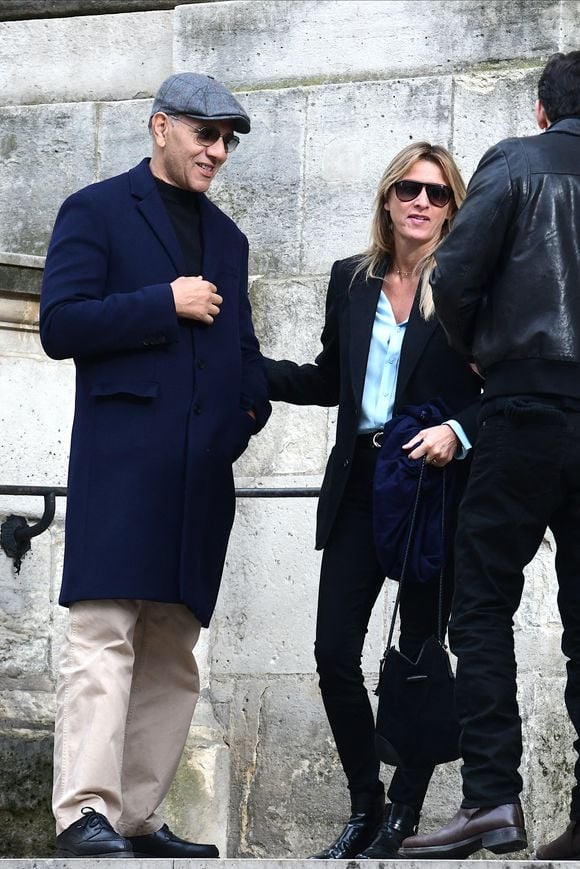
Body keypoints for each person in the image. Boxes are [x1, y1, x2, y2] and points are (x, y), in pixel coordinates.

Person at [39, 72, 270, 859]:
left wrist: (243, 421)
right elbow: (60, 323)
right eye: (206, 134)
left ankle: (133, 819)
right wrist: (162, 301)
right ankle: (83, 815)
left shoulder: (231, 241)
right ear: (160, 126)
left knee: (173, 650)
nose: (218, 151)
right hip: (121, 464)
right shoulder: (96, 209)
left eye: (227, 140)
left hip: (200, 477)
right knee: (104, 635)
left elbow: (245, 357)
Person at [265, 142, 481, 859]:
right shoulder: (349, 281)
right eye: (408, 189)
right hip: (360, 480)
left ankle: (405, 817)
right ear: (387, 198)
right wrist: (249, 367)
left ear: (452, 206)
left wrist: (457, 429)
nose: (422, 202)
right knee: (333, 650)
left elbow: (505, 383)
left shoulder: (466, 282)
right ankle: (367, 800)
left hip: (429, 486)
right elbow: (334, 377)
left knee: (420, 655)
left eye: (438, 193)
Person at [398, 51, 580, 861]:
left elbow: (455, 276)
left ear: (542, 110)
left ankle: (491, 801)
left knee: (479, 604)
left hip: (525, 409)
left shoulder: (516, 161)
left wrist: (480, 356)